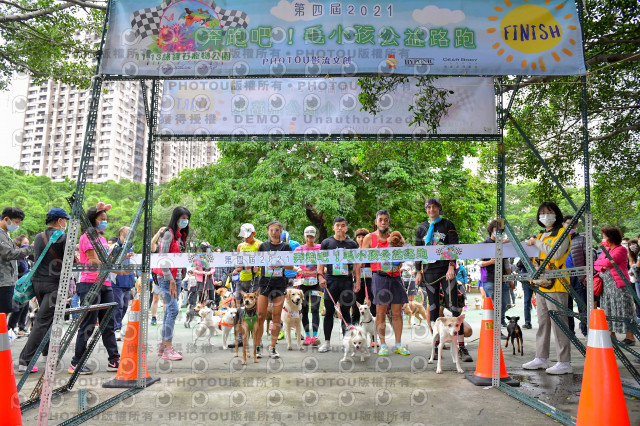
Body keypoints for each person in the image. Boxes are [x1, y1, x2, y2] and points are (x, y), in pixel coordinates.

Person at [70, 203, 132, 374]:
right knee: (88, 324)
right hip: (90, 283)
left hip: (105, 284)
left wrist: (121, 258)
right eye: (101, 219)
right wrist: (118, 270)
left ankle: (114, 360)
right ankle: (76, 362)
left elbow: (107, 260)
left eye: (106, 219)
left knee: (108, 323)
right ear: (92, 220)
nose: (105, 222)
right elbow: (94, 261)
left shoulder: (102, 239)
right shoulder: (86, 237)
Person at [415, 199, 471, 362]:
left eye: (434, 207)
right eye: (428, 207)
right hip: (429, 271)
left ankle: (461, 347)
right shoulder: (421, 228)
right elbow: (418, 250)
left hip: (446, 271)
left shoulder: (448, 224)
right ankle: (436, 346)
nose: (431, 210)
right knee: (433, 309)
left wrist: (452, 266)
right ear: (426, 210)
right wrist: (418, 271)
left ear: (439, 209)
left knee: (454, 309)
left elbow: (454, 246)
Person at [17, 208, 71, 371]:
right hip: (53, 285)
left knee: (47, 319)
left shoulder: (38, 237)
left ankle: (48, 351)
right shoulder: (63, 238)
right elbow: (70, 262)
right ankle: (25, 360)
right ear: (59, 220)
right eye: (65, 220)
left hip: (38, 284)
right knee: (42, 321)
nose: (66, 223)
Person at [524, 201, 572, 375]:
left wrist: (536, 242)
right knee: (543, 322)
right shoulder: (540, 234)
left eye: (549, 212)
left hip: (557, 283)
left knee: (559, 323)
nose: (545, 216)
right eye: (542, 213)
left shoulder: (562, 232)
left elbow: (556, 253)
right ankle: (541, 358)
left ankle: (564, 361)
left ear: (556, 214)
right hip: (541, 284)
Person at [356, 210, 409, 356]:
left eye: (386, 220)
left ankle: (398, 344)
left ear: (389, 222)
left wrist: (399, 261)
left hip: (395, 276)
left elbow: (402, 256)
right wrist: (375, 253)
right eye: (380, 219)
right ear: (376, 222)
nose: (383, 222)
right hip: (379, 277)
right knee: (380, 312)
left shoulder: (395, 238)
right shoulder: (369, 237)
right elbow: (361, 260)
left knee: (397, 313)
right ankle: (383, 344)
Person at [255, 221, 299, 358]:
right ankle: (257, 346)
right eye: (271, 230)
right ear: (267, 231)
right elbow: (257, 264)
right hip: (264, 283)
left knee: (276, 316)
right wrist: (255, 267)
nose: (274, 233)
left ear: (281, 231)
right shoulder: (263, 246)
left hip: (279, 284)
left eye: (277, 230)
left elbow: (290, 266)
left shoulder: (286, 247)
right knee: (260, 316)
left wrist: (279, 264)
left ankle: (272, 347)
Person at [151, 206, 191, 360]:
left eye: (187, 218)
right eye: (182, 218)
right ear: (176, 218)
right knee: (173, 309)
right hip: (167, 278)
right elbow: (162, 259)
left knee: (169, 310)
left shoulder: (182, 236)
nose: (185, 221)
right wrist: (171, 279)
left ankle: (163, 347)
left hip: (178, 277)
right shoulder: (168, 234)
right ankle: (168, 348)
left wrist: (178, 278)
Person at [318, 217, 360, 353]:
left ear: (346, 228)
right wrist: (320, 276)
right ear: (333, 227)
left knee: (346, 312)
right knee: (329, 312)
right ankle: (327, 342)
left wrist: (358, 281)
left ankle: (346, 342)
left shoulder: (352, 244)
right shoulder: (326, 242)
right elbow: (321, 261)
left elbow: (356, 264)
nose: (340, 228)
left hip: (347, 281)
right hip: (331, 281)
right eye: (337, 225)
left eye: (343, 225)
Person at [595, 227, 636, 346]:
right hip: (607, 287)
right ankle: (611, 334)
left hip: (619, 286)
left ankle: (630, 336)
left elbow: (609, 262)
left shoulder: (621, 249)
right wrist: (603, 266)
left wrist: (604, 265)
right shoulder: (606, 250)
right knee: (608, 309)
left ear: (611, 237)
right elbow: (596, 263)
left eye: (604, 237)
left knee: (625, 309)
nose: (603, 239)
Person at [0, 207, 34, 319]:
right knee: (3, 312)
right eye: (16, 222)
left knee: (6, 311)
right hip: (3, 281)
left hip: (8, 280)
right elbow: (10, 254)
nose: (17, 225)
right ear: (6, 219)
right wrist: (31, 248)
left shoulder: (6, 234)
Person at [480, 220, 513, 331]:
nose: (498, 232)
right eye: (496, 229)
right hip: (489, 279)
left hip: (503, 279)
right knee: (494, 306)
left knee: (505, 304)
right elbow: (478, 263)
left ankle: (500, 322)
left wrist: (510, 280)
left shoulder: (503, 245)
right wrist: (490, 262)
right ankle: (496, 330)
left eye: (501, 230)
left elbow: (506, 264)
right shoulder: (484, 245)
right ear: (491, 230)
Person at [294, 226, 322, 346]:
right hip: (302, 283)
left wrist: (322, 272)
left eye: (312, 236)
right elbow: (293, 265)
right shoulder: (299, 249)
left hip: (316, 283)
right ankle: (307, 336)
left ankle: (315, 336)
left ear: (315, 236)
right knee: (304, 309)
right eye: (307, 236)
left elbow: (325, 263)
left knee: (315, 308)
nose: (310, 238)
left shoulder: (320, 248)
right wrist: (297, 269)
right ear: (304, 236)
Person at [562, 215, 588, 337]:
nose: (571, 225)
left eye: (574, 223)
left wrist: (587, 274)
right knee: (567, 306)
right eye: (568, 223)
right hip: (564, 277)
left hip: (579, 277)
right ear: (563, 224)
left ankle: (585, 330)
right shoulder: (560, 240)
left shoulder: (581, 239)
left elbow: (589, 256)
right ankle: (570, 331)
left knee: (582, 305)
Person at [111, 226, 136, 341]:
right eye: (128, 233)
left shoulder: (130, 247)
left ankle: (117, 326)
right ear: (121, 233)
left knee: (125, 306)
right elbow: (111, 263)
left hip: (128, 282)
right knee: (118, 305)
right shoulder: (114, 247)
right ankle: (116, 329)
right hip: (117, 282)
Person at [8, 234, 32, 336]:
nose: (27, 245)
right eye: (25, 243)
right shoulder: (18, 259)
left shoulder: (25, 259)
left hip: (24, 287)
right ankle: (10, 327)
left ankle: (21, 326)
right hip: (18, 286)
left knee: (25, 308)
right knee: (17, 308)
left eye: (28, 243)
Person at [352, 227, 375, 326]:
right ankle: (355, 329)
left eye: (363, 237)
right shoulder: (354, 252)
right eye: (359, 237)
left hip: (371, 281)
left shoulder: (372, 251)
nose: (361, 239)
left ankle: (374, 330)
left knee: (372, 305)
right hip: (358, 281)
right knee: (356, 306)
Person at [149, 226, 166, 326]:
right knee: (156, 298)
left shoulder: (170, 250)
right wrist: (159, 232)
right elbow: (152, 242)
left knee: (166, 299)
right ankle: (154, 317)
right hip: (157, 278)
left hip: (167, 277)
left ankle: (166, 318)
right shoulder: (156, 250)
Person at [627, 239, 640, 323]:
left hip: (637, 278)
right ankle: (638, 316)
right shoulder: (630, 255)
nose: (632, 246)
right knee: (636, 298)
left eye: (634, 244)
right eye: (630, 245)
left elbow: (636, 265)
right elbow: (631, 264)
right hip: (635, 279)